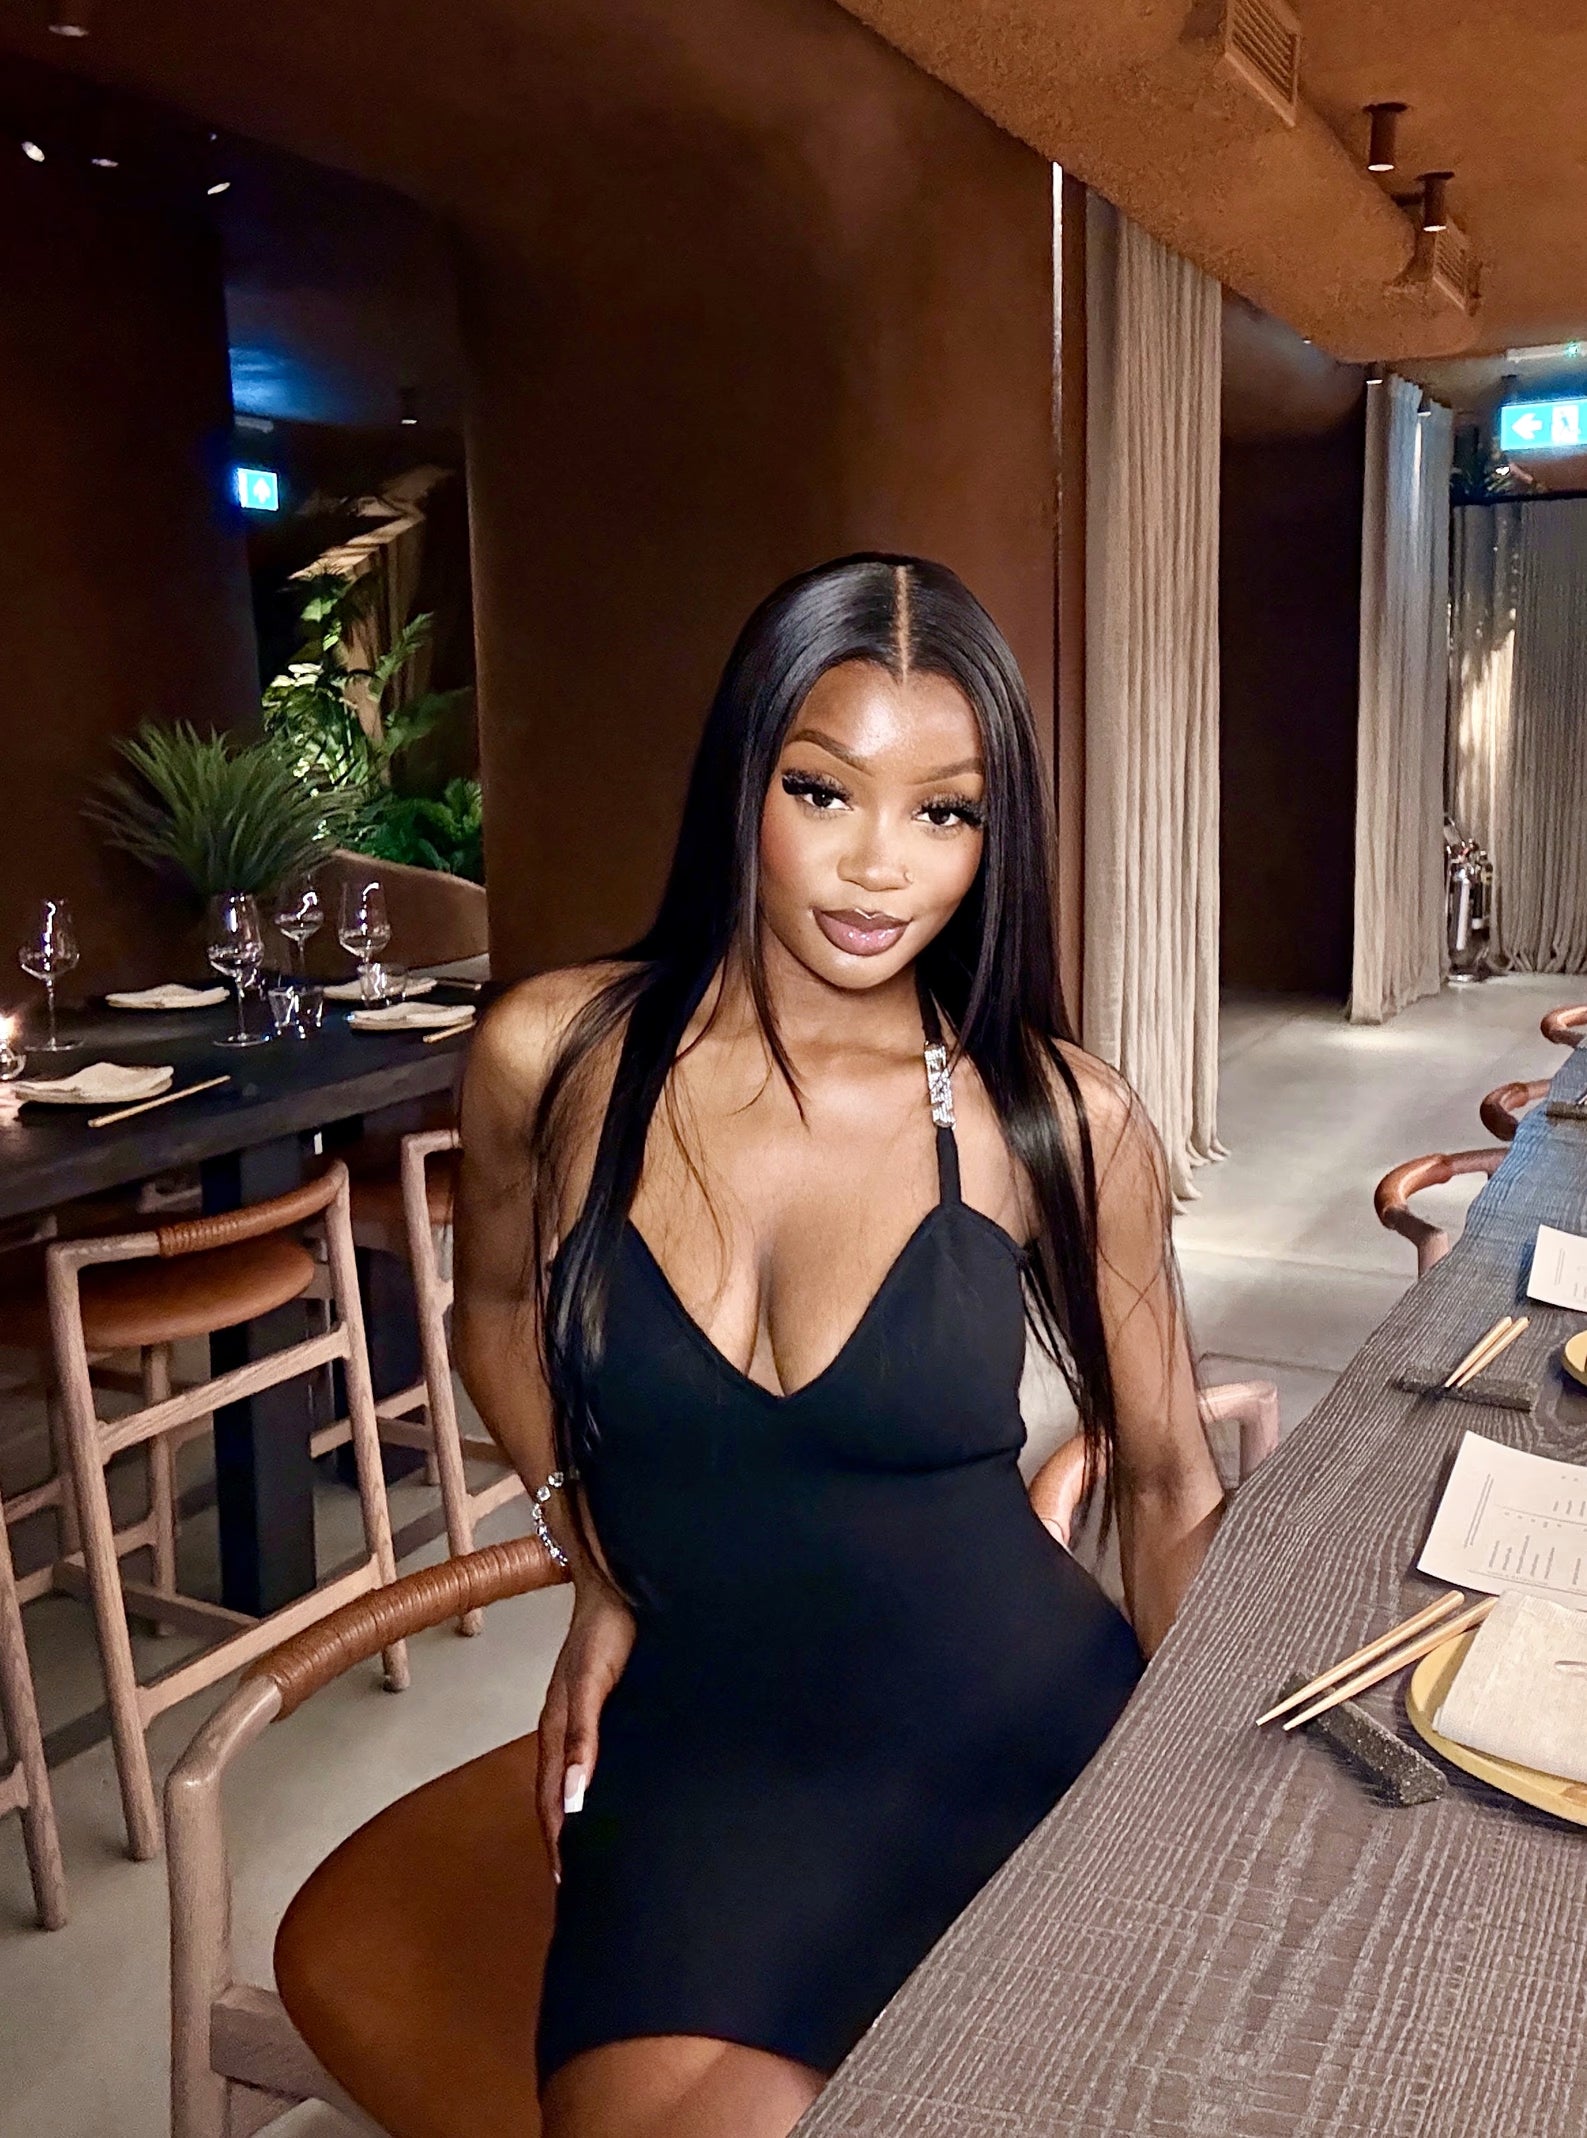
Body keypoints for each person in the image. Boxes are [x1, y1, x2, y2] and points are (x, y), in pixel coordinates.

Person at [453, 554, 1223, 2138]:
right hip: (707, 1769)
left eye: (949, 811)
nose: (883, 868)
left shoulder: (1056, 1115)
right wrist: (586, 1545)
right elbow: (492, 1314)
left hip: (1018, 1740)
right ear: (746, 775)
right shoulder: (555, 1052)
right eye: (826, 790)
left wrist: (1210, 1787)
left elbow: (1165, 1486)